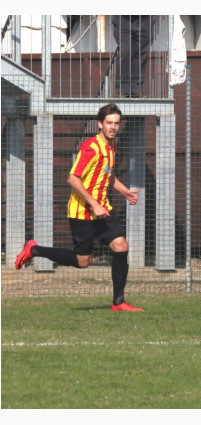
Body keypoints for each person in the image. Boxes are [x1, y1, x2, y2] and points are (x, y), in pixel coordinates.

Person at [15, 103, 143, 312]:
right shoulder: (90, 148)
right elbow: (73, 179)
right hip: (82, 212)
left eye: (116, 123)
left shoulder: (112, 146)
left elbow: (107, 175)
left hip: (103, 210)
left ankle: (118, 303)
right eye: (109, 123)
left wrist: (124, 190)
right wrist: (93, 204)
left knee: (121, 246)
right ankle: (34, 249)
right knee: (83, 262)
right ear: (99, 124)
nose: (113, 127)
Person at [111, 15, 156, 98]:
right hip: (122, 18)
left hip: (145, 19)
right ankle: (122, 88)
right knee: (125, 51)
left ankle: (136, 88)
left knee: (142, 53)